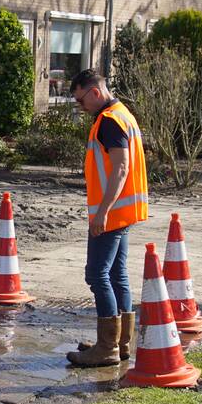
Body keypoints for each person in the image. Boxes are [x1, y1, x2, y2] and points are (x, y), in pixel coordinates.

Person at [65, 69, 148, 367]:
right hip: (124, 210)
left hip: (111, 213)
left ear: (95, 93)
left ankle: (106, 348)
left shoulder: (109, 121)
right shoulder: (123, 113)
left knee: (97, 274)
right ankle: (121, 343)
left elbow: (121, 168)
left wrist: (102, 212)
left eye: (81, 100)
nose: (81, 107)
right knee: (116, 274)